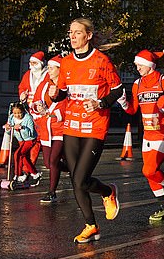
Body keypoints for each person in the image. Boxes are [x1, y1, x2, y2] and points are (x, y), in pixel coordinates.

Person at [48, 18, 124, 243]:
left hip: (94, 126)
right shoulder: (67, 62)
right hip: (71, 125)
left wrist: (100, 103)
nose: (72, 36)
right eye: (70, 32)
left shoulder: (101, 61)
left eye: (77, 32)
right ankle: (91, 225)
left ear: (88, 35)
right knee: (76, 179)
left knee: (80, 180)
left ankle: (108, 192)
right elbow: (62, 93)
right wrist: (55, 94)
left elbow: (118, 90)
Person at [124, 48, 164, 224]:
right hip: (147, 135)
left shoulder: (163, 79)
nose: (137, 67)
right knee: (150, 174)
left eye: (139, 64)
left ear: (149, 64)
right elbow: (132, 109)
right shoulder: (137, 84)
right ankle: (163, 208)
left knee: (148, 170)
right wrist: (123, 102)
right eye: (136, 64)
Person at [38, 56, 68, 204]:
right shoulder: (44, 84)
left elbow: (68, 105)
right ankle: (70, 169)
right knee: (48, 164)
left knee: (54, 159)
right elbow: (37, 99)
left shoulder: (66, 86)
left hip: (60, 129)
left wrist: (54, 113)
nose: (48, 70)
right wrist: (37, 107)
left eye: (51, 68)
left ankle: (51, 192)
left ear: (59, 69)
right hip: (46, 128)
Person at [18, 51, 48, 170]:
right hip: (30, 111)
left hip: (43, 112)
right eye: (30, 63)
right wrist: (22, 95)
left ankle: (29, 167)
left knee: (38, 140)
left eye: (34, 63)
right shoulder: (27, 74)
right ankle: (27, 167)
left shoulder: (48, 74)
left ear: (40, 63)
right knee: (31, 139)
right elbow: (22, 88)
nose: (32, 65)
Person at [5, 103, 38, 186]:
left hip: (29, 139)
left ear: (23, 111)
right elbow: (9, 131)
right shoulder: (11, 117)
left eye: (19, 113)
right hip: (20, 139)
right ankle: (35, 174)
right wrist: (7, 128)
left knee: (18, 154)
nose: (17, 115)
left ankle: (18, 175)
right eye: (15, 113)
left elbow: (31, 133)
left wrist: (22, 128)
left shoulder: (28, 118)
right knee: (24, 157)